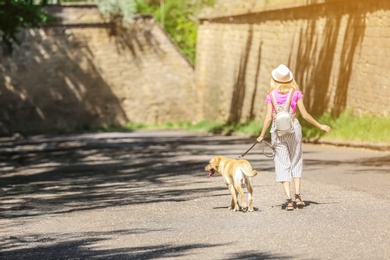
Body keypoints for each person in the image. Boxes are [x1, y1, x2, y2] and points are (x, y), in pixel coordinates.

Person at [256, 64, 331, 211]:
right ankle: (298, 196)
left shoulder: (271, 94)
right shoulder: (295, 93)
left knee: (282, 162)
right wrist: (320, 126)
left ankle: (289, 200)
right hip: (293, 129)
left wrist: (261, 135)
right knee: (296, 160)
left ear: (275, 79)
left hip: (278, 132)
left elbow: (268, 118)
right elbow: (305, 115)